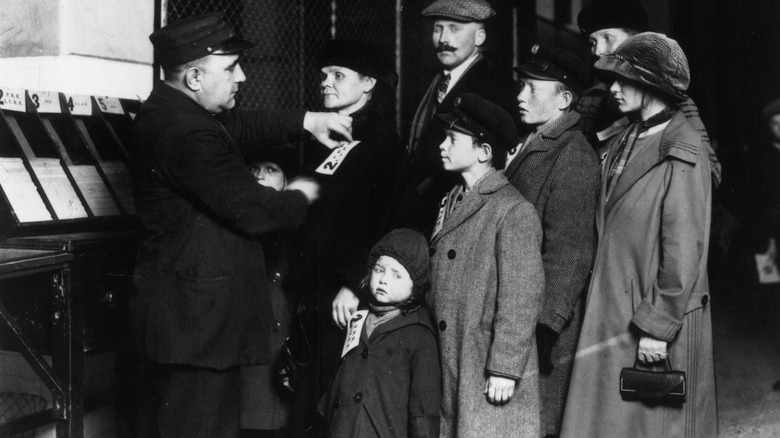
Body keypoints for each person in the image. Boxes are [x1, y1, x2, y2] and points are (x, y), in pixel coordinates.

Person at [130, 12, 354, 438]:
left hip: (196, 322)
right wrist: (303, 193)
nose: (242, 77)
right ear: (195, 77)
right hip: (194, 328)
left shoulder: (178, 108)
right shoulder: (184, 132)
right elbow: (254, 210)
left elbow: (243, 126)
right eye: (231, 68)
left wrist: (309, 121)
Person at [559, 33, 717, 437]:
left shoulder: (682, 149)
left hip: (648, 311)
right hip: (612, 305)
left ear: (651, 85)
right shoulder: (626, 135)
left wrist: (657, 328)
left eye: (624, 80)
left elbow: (684, 249)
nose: (613, 88)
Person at [290, 38, 404, 436]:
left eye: (338, 75)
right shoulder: (323, 135)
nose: (326, 83)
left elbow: (382, 222)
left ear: (368, 83)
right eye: (323, 75)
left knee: (328, 399)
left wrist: (354, 283)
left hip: (342, 294)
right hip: (309, 286)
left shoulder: (383, 143)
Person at [428, 93, 544, 437]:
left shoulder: (512, 210)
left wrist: (506, 368)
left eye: (452, 139)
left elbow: (521, 297)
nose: (442, 146)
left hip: (483, 358)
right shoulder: (451, 199)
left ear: (483, 152)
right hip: (454, 352)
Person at [506, 44, 599, 438]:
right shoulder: (535, 139)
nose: (519, 96)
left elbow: (570, 252)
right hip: (519, 317)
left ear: (564, 99)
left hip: (541, 329)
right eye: (520, 86)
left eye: (531, 88)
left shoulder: (572, 154)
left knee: (535, 424)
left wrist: (544, 326)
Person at [403, 0, 522, 235]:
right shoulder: (426, 83)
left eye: (454, 29)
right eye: (438, 29)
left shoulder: (500, 88)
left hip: (459, 218)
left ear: (479, 37)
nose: (444, 39)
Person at [575, 0, 722, 187]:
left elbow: (711, 172)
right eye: (592, 42)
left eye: (608, 38)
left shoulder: (674, 101)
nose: (598, 50)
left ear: (637, 40)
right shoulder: (591, 100)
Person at [320, 228, 441, 438]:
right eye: (379, 269)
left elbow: (424, 409)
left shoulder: (420, 335)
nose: (384, 280)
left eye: (397, 275)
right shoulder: (358, 319)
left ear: (416, 286)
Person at [240, 152, 298, 438]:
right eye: (254, 167)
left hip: (280, 342)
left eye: (271, 169)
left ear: (287, 181)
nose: (260, 175)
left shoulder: (296, 228)